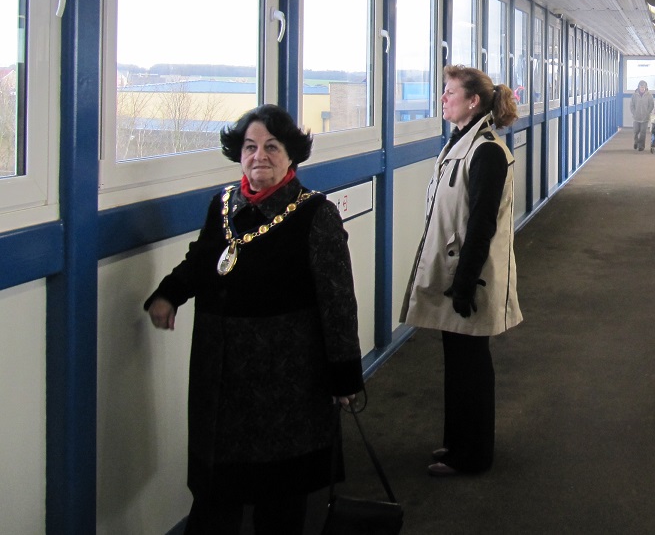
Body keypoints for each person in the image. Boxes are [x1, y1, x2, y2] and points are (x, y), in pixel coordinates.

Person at [144, 104, 363, 535]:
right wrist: (168, 294)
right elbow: (203, 259)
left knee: (279, 500)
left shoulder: (315, 214)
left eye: (271, 147)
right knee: (216, 493)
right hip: (221, 378)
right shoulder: (223, 205)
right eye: (249, 147)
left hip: (286, 385)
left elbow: (337, 301)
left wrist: (344, 378)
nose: (258, 155)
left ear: (291, 155)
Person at [401, 65, 523, 477]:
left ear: (473, 101)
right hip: (458, 275)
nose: (443, 98)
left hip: (469, 279)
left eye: (449, 92)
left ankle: (473, 455)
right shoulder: (462, 144)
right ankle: (458, 445)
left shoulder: (486, 150)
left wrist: (465, 284)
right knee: (459, 364)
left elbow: (482, 223)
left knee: (470, 368)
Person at [630, 80, 654, 151]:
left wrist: (648, 112)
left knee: (643, 132)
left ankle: (641, 146)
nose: (642, 89)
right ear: (638, 87)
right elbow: (632, 105)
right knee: (636, 131)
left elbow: (651, 105)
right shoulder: (634, 95)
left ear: (646, 87)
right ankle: (636, 142)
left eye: (643, 87)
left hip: (645, 117)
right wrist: (634, 113)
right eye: (641, 87)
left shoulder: (649, 95)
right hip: (636, 117)